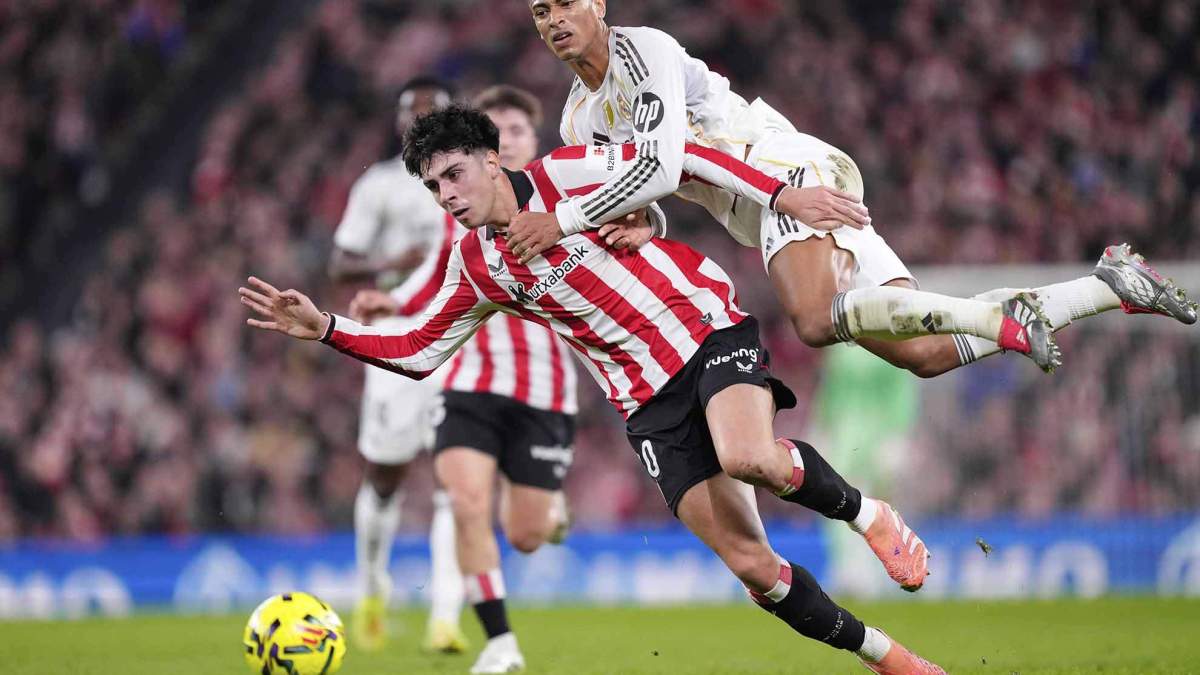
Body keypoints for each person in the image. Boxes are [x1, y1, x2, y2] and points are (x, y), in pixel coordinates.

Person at [240, 105, 945, 674]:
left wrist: (783, 193)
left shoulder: (568, 173)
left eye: (454, 174)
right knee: (756, 569)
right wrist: (326, 326)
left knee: (748, 455)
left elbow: (681, 157)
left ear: (493, 161)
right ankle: (889, 658)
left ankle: (865, 512)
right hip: (643, 400)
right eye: (433, 187)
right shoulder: (476, 265)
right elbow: (423, 349)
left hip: (701, 329)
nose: (447, 195)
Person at [506, 0, 1196, 378]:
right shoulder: (576, 116)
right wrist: (648, 221)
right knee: (924, 354)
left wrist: (562, 219)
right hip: (771, 199)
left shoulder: (646, 50)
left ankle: (999, 322)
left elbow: (664, 159)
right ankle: (1110, 285)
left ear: (599, 5)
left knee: (812, 317)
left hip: (789, 176)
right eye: (540, 12)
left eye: (566, 3)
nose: (554, 20)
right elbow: (656, 176)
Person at [351, 85, 580, 674]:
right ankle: (495, 642)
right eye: (498, 129)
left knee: (525, 533)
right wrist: (392, 300)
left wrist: (641, 218)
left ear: (528, 142)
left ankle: (544, 510)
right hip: (471, 379)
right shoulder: (463, 218)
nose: (509, 139)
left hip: (543, 387)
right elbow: (435, 277)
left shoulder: (569, 195)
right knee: (463, 499)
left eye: (519, 131)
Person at [327, 76, 468, 654]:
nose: (416, 121)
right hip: (394, 337)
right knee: (386, 473)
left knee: (456, 478)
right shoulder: (381, 186)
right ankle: (371, 590)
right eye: (408, 111)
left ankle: (445, 614)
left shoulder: (473, 179)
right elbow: (340, 263)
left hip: (460, 337)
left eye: (429, 112)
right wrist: (398, 261)